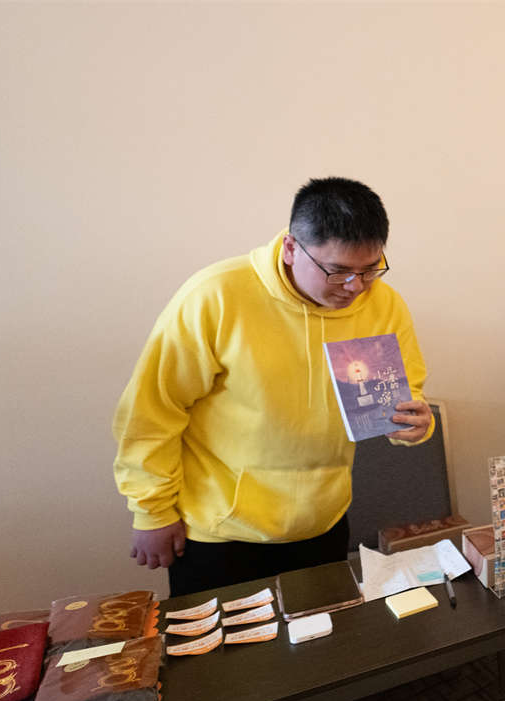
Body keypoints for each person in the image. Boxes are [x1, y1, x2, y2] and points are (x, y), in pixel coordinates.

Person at [113, 176, 434, 596]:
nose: (355, 287)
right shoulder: (216, 296)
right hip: (221, 531)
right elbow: (151, 412)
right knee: (226, 641)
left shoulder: (384, 305)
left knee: (327, 632)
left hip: (323, 522)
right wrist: (152, 512)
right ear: (290, 248)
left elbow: (403, 398)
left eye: (369, 269)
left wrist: (415, 424)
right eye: (338, 271)